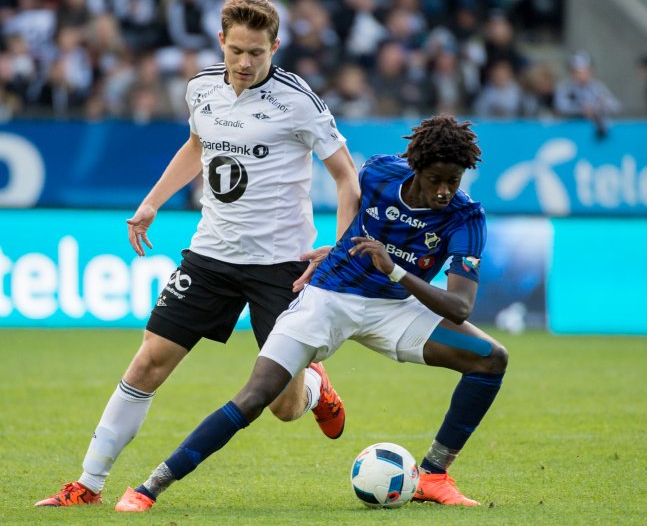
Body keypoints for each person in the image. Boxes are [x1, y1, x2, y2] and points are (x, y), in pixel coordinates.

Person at [35, 0, 360, 507]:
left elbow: (347, 178)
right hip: (211, 255)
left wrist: (340, 251)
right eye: (236, 51)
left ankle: (315, 389)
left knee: (282, 405)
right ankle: (89, 483)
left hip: (281, 266)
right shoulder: (201, 88)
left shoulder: (298, 100)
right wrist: (151, 204)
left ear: (276, 46)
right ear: (220, 43)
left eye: (257, 52)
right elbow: (196, 145)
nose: (246, 63)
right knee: (148, 363)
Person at [113, 114, 508, 512]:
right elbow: (354, 204)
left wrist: (395, 269)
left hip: (395, 309)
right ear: (416, 168)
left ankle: (434, 475)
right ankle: (150, 487)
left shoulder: (465, 216)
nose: (444, 191)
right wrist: (340, 247)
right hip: (328, 298)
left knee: (490, 358)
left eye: (453, 182)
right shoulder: (379, 173)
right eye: (435, 180)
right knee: (257, 397)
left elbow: (460, 306)